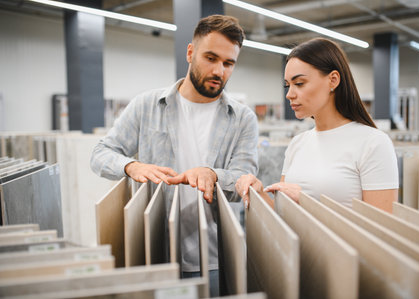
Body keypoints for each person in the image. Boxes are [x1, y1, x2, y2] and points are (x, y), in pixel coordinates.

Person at [90, 15, 258, 296]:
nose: (219, 71)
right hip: (157, 253)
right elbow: (100, 154)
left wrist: (213, 174)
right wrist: (131, 166)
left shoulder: (243, 119)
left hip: (217, 259)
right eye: (211, 58)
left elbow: (243, 179)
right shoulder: (147, 106)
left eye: (229, 63)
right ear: (190, 53)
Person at [235, 38, 398, 213]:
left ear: (333, 80)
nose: (289, 94)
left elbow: (380, 230)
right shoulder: (298, 143)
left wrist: (308, 202)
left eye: (299, 84)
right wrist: (258, 192)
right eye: (287, 85)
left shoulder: (373, 143)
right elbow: (283, 215)